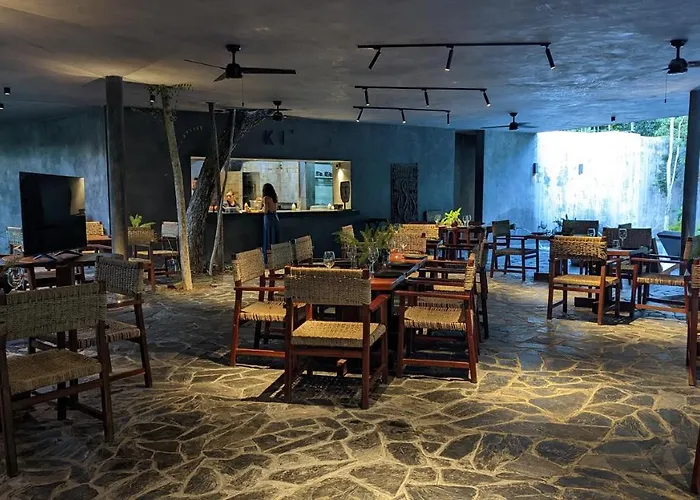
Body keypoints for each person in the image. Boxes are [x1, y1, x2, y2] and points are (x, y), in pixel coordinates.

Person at [262, 183, 279, 265]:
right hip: (275, 218)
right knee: (274, 238)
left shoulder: (266, 198)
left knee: (267, 238)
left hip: (268, 218)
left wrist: (261, 209)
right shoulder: (274, 197)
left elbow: (265, 211)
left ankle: (267, 260)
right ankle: (275, 259)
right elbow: (274, 209)